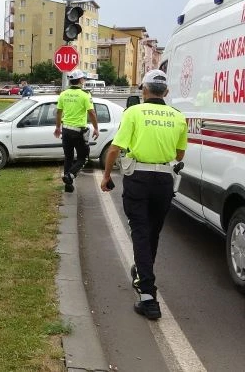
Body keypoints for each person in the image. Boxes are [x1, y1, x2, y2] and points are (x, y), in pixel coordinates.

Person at [99, 69, 188, 320]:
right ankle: (141, 271)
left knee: (139, 232)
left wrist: (106, 177)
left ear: (144, 91)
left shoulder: (134, 112)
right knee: (152, 233)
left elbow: (116, 148)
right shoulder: (179, 117)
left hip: (138, 179)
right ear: (166, 92)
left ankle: (147, 295)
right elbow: (179, 155)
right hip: (163, 181)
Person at [54, 69, 99, 193]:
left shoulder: (63, 94)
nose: (84, 81)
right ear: (80, 80)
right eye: (83, 79)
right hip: (79, 131)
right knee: (83, 158)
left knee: (68, 157)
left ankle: (68, 186)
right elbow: (92, 113)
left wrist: (58, 127)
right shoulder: (85, 95)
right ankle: (70, 176)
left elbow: (58, 112)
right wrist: (96, 128)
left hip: (66, 130)